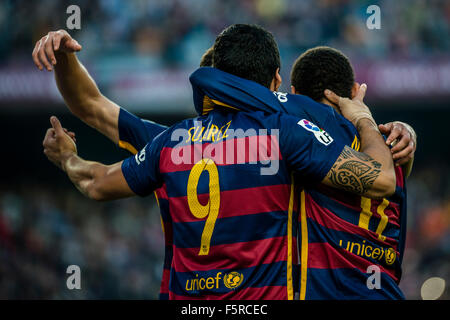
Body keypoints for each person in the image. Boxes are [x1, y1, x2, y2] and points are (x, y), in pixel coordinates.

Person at [42, 24, 397, 300]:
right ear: (275, 79)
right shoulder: (285, 132)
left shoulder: (169, 142)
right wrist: (368, 119)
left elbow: (95, 162)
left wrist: (68, 158)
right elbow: (381, 178)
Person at [189, 46, 414, 299]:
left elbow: (204, 78)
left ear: (294, 94)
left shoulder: (305, 137)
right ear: (354, 91)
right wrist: (377, 122)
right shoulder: (393, 149)